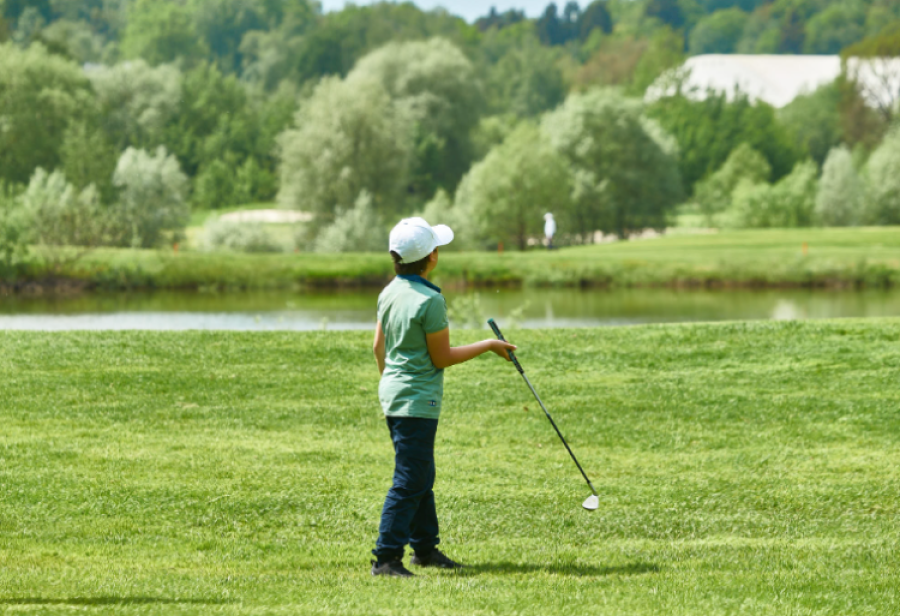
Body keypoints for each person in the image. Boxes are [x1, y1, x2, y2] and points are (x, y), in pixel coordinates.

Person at [371, 217, 517, 578]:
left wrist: (392, 382)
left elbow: (378, 346)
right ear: (431, 257)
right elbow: (442, 358)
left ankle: (424, 548)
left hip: (394, 394)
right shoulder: (431, 300)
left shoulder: (388, 291)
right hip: (417, 401)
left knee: (421, 473)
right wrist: (488, 345)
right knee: (410, 478)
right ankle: (386, 558)